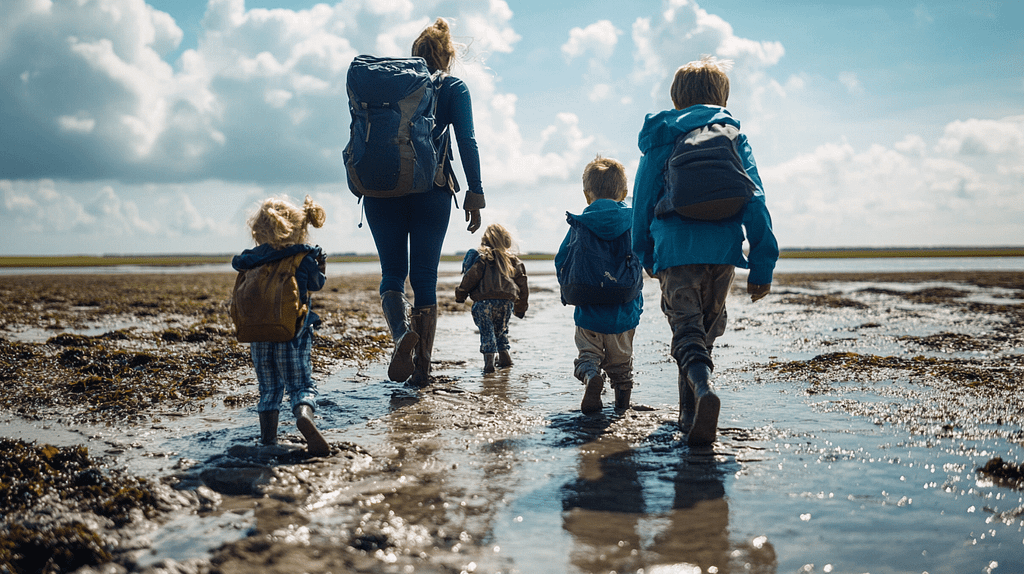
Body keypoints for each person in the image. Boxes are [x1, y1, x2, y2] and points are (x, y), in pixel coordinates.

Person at [632, 55, 779, 446]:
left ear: (677, 97)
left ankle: (701, 394)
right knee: (704, 333)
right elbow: (755, 199)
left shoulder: (663, 135)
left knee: (686, 330)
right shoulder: (733, 135)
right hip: (723, 249)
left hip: (675, 247)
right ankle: (690, 412)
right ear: (722, 97)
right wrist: (762, 264)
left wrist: (645, 252)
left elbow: (642, 201)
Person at [364, 17, 486, 387]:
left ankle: (402, 335)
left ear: (413, 56)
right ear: (448, 56)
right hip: (431, 190)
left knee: (392, 274)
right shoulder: (452, 88)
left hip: (380, 189)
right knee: (424, 278)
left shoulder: (391, 91)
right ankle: (423, 370)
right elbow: (467, 141)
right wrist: (475, 192)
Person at [232, 195, 331, 457]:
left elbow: (237, 267)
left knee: (269, 387)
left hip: (258, 334)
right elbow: (316, 285)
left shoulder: (249, 259)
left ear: (258, 231)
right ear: (299, 230)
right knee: (300, 385)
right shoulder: (303, 257)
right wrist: (320, 266)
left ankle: (267, 440)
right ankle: (304, 416)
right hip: (293, 333)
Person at [555, 156, 643, 415]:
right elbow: (643, 255)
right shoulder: (632, 222)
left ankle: (592, 376)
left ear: (586, 195)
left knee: (587, 357)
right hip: (624, 312)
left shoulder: (580, 224)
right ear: (624, 192)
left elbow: (562, 260)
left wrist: (566, 289)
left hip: (588, 312)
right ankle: (621, 410)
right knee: (622, 366)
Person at [455, 224, 529, 372]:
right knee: (500, 331)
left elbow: (471, 277)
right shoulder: (513, 261)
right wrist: (520, 308)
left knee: (487, 332)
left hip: (483, 302)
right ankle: (505, 359)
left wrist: (461, 294)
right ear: (507, 241)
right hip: (506, 303)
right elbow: (523, 286)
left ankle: (489, 365)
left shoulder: (483, 258)